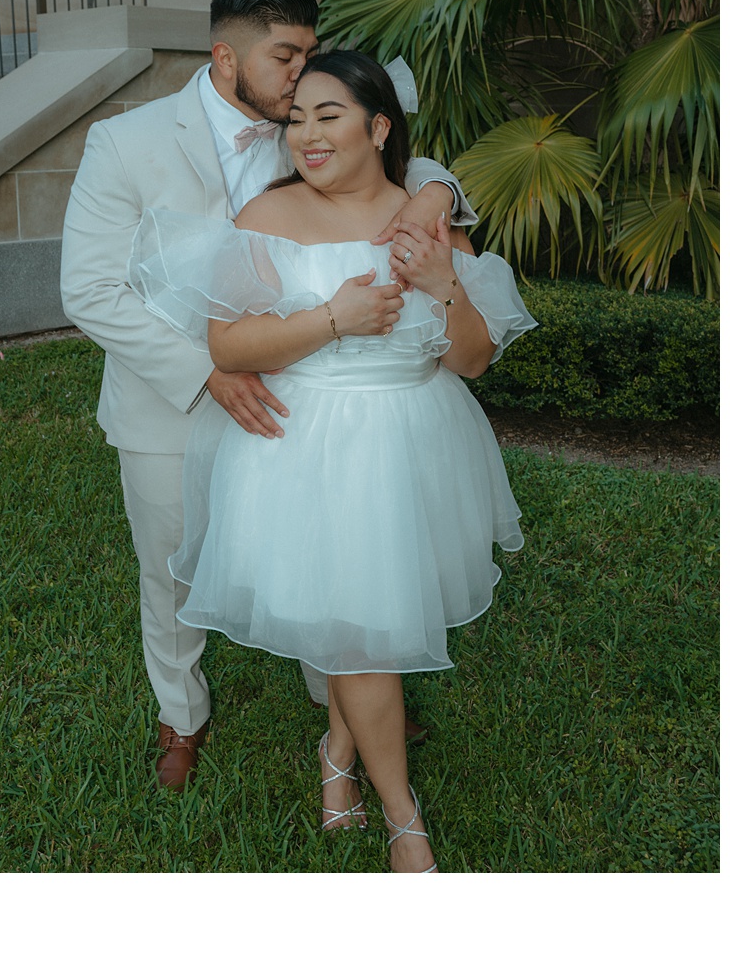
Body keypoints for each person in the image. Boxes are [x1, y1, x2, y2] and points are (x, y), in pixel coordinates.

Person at [60, 0, 477, 792]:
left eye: (310, 55)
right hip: (171, 396)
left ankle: (352, 699)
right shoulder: (127, 141)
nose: (301, 74)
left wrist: (438, 189)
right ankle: (182, 716)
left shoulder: (309, 127)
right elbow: (90, 289)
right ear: (226, 56)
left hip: (310, 394)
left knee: (331, 545)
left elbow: (386, 153)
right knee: (172, 564)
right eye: (286, 56)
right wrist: (208, 372)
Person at [129, 50, 536, 871]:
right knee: (361, 638)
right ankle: (403, 818)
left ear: (378, 127)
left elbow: (473, 360)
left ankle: (336, 754)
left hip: (415, 441)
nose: (308, 136)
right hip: (309, 450)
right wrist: (333, 318)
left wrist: (440, 280)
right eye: (296, 120)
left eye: (329, 116)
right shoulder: (266, 219)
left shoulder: (427, 221)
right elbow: (230, 342)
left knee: (367, 621)